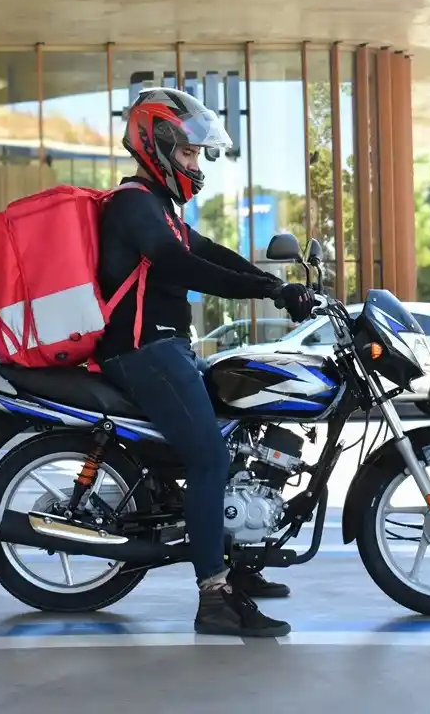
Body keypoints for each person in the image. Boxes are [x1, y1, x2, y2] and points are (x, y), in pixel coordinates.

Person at [96, 87, 315, 638]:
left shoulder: (161, 209)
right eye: (189, 154)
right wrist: (266, 293)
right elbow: (177, 262)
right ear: (157, 146)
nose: (196, 166)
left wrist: (274, 285)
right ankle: (213, 599)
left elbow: (207, 251)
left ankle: (238, 562)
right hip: (143, 351)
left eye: (198, 156)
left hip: (167, 348)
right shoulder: (133, 204)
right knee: (210, 458)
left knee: (243, 426)